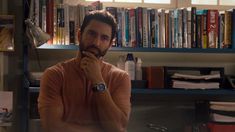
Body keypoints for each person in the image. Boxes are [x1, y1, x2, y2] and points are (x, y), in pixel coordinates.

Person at [38, 10, 131, 132]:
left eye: (104, 38)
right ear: (79, 35)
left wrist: (98, 81)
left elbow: (118, 127)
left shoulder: (120, 78)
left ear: (109, 44)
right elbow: (52, 128)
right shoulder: (55, 75)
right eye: (91, 34)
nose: (96, 42)